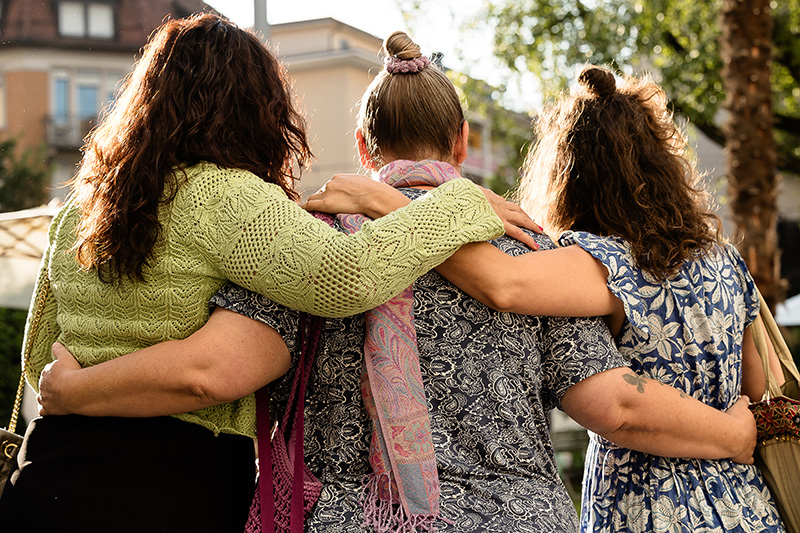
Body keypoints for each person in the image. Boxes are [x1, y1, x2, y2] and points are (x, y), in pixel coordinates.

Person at [37, 36, 757, 532]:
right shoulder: (529, 248)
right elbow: (603, 397)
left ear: (362, 145)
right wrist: (734, 431)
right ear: (463, 141)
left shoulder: (298, 237)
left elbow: (228, 364)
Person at [0, 15, 533, 533]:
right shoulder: (229, 198)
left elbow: (38, 355)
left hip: (47, 472)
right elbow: (347, 275)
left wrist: (80, 386)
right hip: (170, 486)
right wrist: (459, 202)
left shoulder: (80, 210)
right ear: (258, 108)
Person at [337, 65, 783, 532]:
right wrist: (732, 434)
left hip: (648, 504)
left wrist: (395, 204)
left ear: (568, 173)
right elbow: (760, 390)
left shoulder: (599, 263)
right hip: (745, 503)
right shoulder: (725, 262)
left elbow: (503, 283)